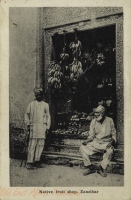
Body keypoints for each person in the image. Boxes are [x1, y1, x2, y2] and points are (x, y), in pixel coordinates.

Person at [79, 105, 116, 177]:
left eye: (97, 115)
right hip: (96, 143)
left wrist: (111, 142)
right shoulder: (93, 121)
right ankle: (90, 167)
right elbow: (91, 136)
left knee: (110, 151)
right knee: (82, 147)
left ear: (103, 114)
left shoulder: (110, 120)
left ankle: (101, 168)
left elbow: (114, 134)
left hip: (106, 143)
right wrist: (87, 141)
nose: (96, 117)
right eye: (95, 115)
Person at [24, 88, 51, 169]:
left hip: (42, 128)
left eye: (40, 94)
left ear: (42, 95)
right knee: (32, 145)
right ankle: (29, 162)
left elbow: (48, 116)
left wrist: (47, 127)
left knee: (40, 144)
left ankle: (37, 161)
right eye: (37, 95)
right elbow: (26, 114)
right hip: (33, 127)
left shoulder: (45, 105)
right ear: (35, 95)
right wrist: (28, 124)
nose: (39, 96)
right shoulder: (31, 104)